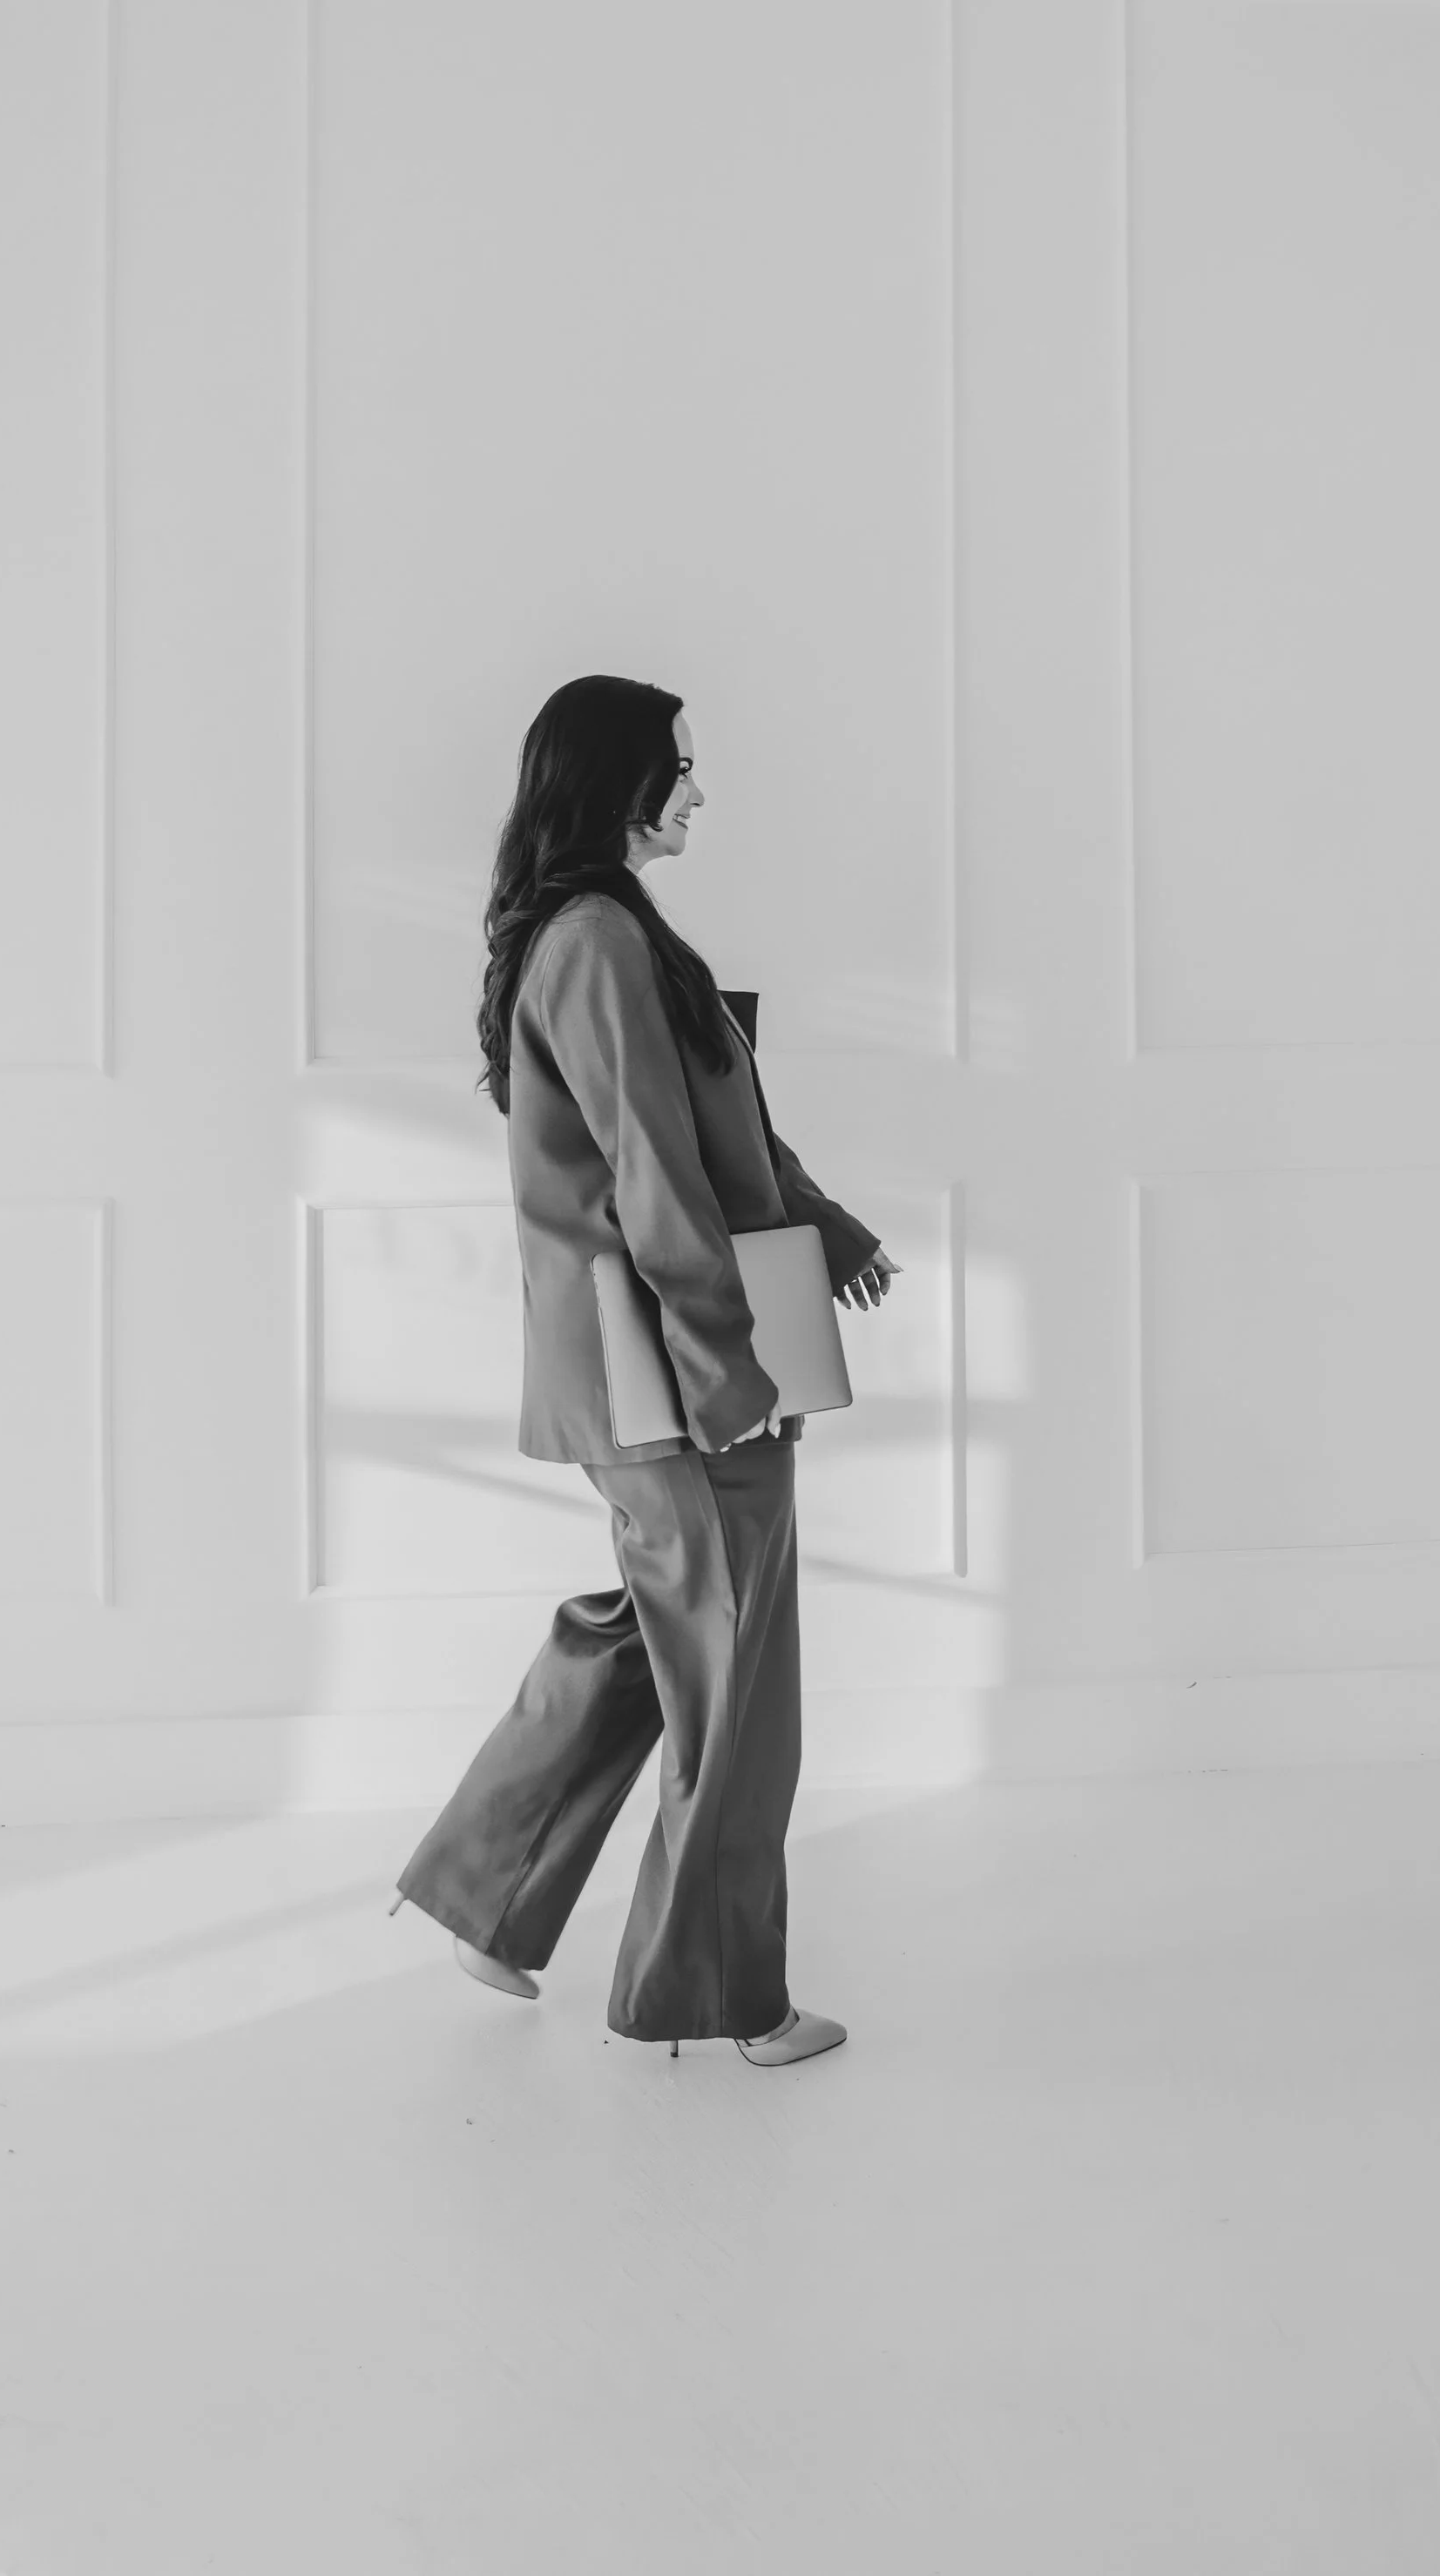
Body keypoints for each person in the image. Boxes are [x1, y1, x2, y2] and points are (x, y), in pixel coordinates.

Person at [387, 674, 901, 2067]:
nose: (696, 788)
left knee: (657, 1628)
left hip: (645, 1358)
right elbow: (656, 1177)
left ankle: (487, 1898)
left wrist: (828, 1230)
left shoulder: (604, 929)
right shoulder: (599, 938)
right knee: (734, 1673)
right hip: (672, 1365)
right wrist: (730, 1369)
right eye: (678, 763)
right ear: (615, 777)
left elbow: (715, 1124)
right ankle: (724, 1993)